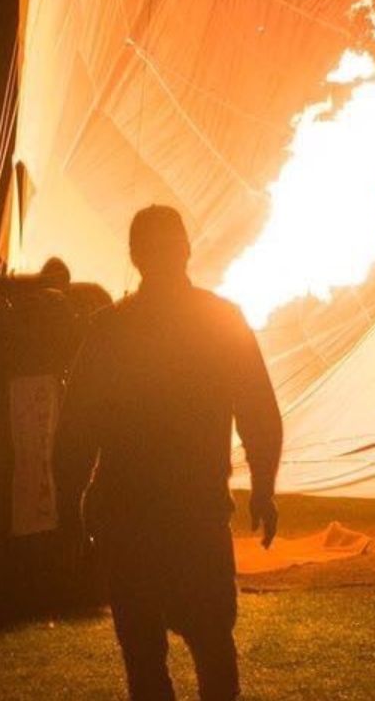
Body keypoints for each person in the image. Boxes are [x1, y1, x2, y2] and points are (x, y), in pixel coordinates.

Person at [57, 206, 283, 701]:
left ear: (134, 256)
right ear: (186, 249)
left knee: (145, 661)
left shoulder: (110, 330)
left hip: (131, 519)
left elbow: (75, 430)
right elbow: (259, 412)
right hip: (193, 516)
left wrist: (70, 510)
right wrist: (263, 489)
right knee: (212, 649)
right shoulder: (220, 321)